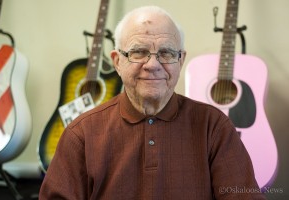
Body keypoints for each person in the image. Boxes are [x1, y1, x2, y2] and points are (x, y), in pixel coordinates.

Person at [39, 5, 266, 200]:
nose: (153, 65)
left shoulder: (214, 126)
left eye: (166, 53)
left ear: (181, 60)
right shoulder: (81, 134)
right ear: (117, 62)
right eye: (139, 52)